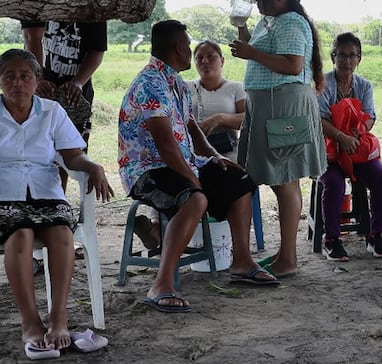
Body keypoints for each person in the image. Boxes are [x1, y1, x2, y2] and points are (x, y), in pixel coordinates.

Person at [0, 49, 113, 356]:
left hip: (45, 193)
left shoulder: (52, 112)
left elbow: (73, 155)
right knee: (20, 233)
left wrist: (93, 167)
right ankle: (31, 323)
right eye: (10, 76)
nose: (17, 83)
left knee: (62, 232)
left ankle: (59, 317)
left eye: (25, 76)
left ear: (37, 80)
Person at [118, 20, 278, 314]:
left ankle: (241, 262)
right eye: (189, 46)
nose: (191, 52)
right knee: (196, 197)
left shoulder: (175, 81)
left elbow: (191, 128)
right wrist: (194, 178)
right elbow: (165, 145)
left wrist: (215, 156)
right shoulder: (150, 84)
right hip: (148, 171)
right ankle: (161, 284)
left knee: (239, 179)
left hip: (180, 161)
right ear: (179, 48)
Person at [229, 0, 326, 280]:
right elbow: (265, 55)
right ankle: (286, 254)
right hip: (270, 106)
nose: (257, 0)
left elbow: (292, 64)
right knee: (284, 179)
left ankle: (289, 257)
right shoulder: (270, 21)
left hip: (284, 106)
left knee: (285, 179)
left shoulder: (291, 22)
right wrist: (246, 39)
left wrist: (251, 52)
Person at [135, 39, 250, 251]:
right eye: (199, 57)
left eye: (211, 57)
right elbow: (169, 133)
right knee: (178, 180)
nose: (205, 62)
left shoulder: (235, 88)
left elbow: (247, 118)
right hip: (186, 153)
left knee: (235, 177)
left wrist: (220, 119)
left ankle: (236, 252)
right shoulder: (183, 85)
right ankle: (157, 231)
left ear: (222, 60)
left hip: (224, 149)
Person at [22, 0, 107, 194]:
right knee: (37, 147)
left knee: (72, 150)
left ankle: (56, 201)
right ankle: (34, 199)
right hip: (39, 87)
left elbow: (97, 51)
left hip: (76, 92)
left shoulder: (95, 5)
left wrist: (79, 82)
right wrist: (37, 79)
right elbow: (32, 38)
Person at [317, 32, 382, 261]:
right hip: (329, 151)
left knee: (381, 177)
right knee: (333, 183)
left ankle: (376, 235)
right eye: (342, 55)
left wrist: (356, 135)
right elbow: (320, 120)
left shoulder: (364, 86)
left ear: (359, 59)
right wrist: (342, 137)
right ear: (333, 57)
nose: (347, 61)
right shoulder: (323, 84)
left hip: (355, 149)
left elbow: (370, 117)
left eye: (352, 56)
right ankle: (331, 240)